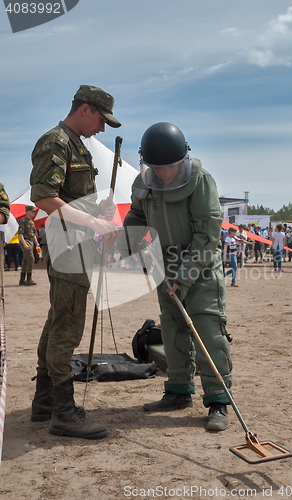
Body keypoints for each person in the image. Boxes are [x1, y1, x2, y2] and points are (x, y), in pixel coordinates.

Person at [119, 122, 233, 431]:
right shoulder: (143, 183)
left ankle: (218, 400)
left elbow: (208, 237)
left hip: (201, 268)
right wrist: (126, 246)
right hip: (163, 266)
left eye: (170, 167)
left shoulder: (201, 182)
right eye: (157, 167)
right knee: (173, 332)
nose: (165, 174)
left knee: (209, 332)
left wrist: (184, 278)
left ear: (182, 160)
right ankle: (179, 391)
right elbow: (137, 218)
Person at [29, 85, 121, 439]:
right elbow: (44, 197)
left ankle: (44, 402)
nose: (102, 128)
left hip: (76, 243)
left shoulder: (77, 144)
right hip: (68, 246)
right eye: (101, 119)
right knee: (68, 325)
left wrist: (100, 210)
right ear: (85, 109)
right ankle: (64, 413)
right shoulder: (57, 141)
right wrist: (94, 223)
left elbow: (72, 199)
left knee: (57, 319)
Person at [18, 205, 40, 285]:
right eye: (32, 211)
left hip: (31, 242)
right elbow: (20, 234)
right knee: (31, 259)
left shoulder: (32, 222)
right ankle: (29, 279)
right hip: (25, 241)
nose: (34, 212)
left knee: (26, 260)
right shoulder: (23, 221)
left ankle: (22, 279)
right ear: (27, 211)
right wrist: (24, 244)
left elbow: (34, 234)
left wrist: (37, 244)